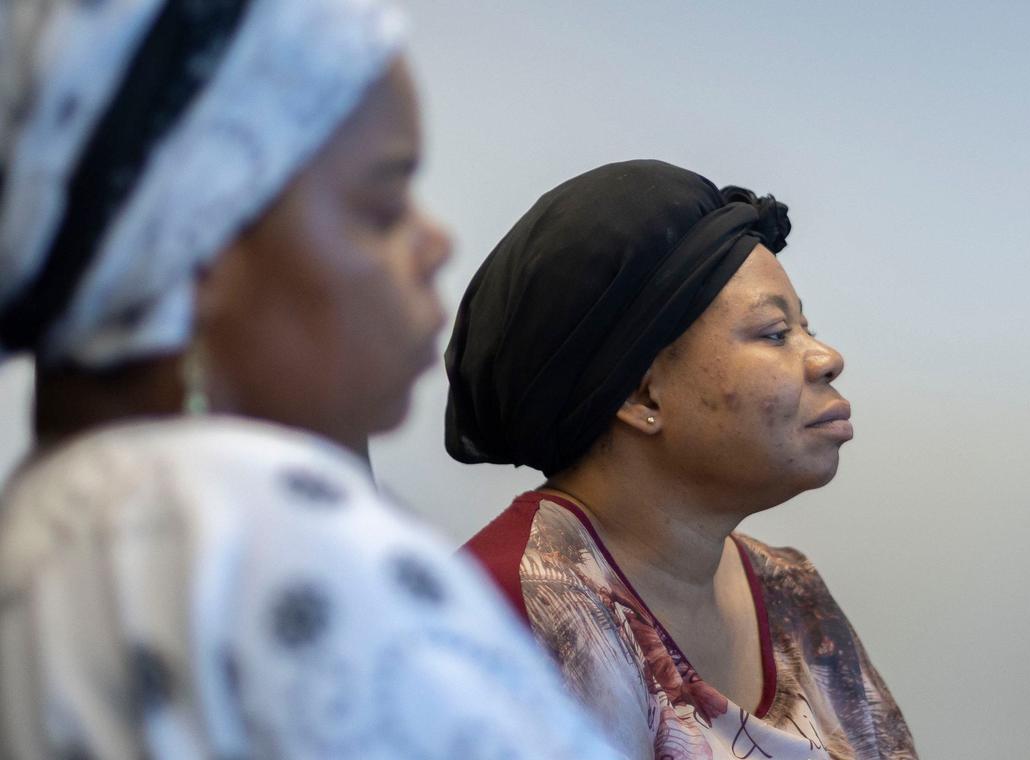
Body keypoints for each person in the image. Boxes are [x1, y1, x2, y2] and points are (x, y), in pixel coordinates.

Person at [0, 2, 619, 758]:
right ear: (199, 244)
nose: (435, 242)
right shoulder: (249, 526)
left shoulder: (49, 521)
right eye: (383, 207)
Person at [446, 159, 919, 759]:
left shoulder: (792, 593)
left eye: (807, 327)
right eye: (775, 333)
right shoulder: (501, 615)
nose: (826, 357)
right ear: (641, 394)